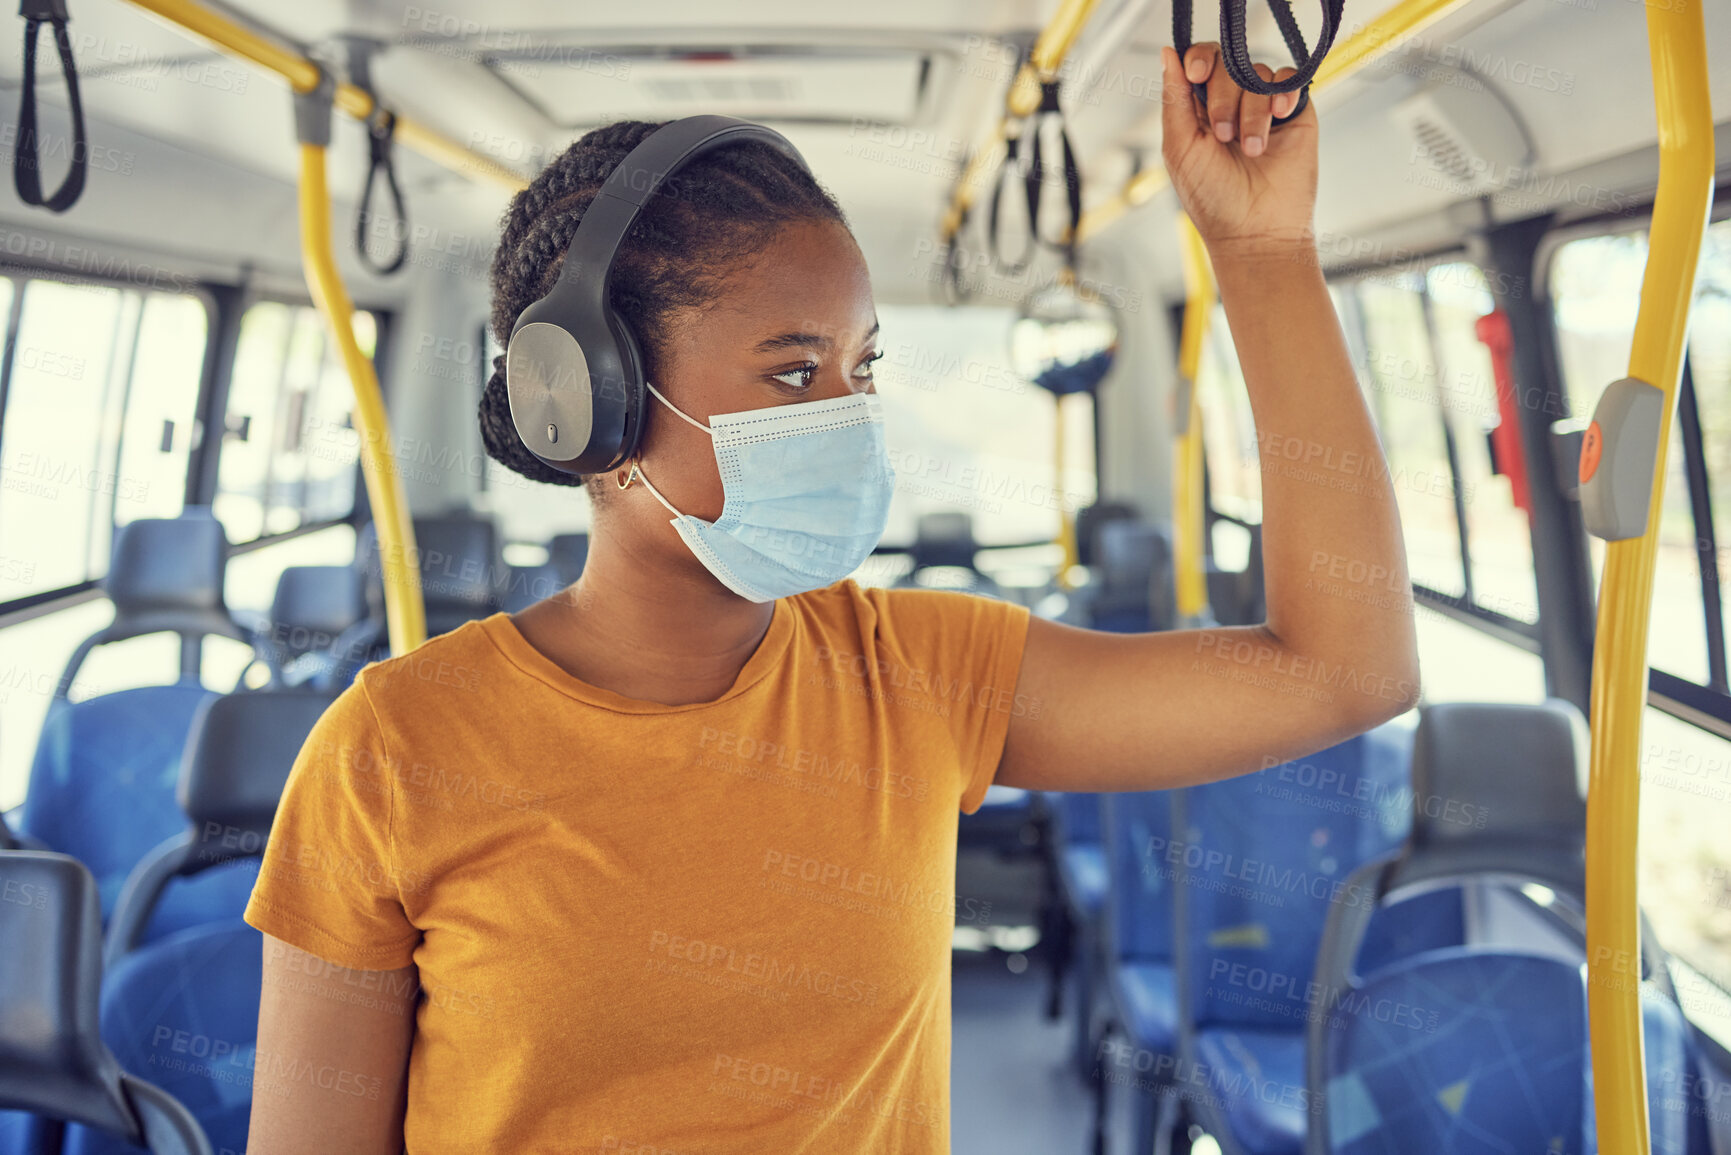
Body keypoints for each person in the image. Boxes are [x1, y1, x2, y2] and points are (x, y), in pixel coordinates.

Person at [242, 41, 1418, 1155]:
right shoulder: (392, 750)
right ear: (586, 403)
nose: (847, 414)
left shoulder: (915, 674)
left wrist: (1264, 260)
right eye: (794, 371)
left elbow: (1345, 669)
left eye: (864, 369)